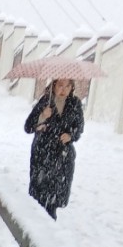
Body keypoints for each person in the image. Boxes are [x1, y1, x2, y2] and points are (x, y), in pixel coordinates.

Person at [24, 78, 84, 219]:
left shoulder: (75, 104)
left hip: (62, 156)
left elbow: (79, 128)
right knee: (39, 196)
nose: (64, 89)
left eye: (68, 86)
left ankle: (49, 228)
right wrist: (42, 117)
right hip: (43, 154)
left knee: (54, 199)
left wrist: (70, 136)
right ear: (54, 85)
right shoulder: (46, 101)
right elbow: (28, 126)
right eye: (60, 85)